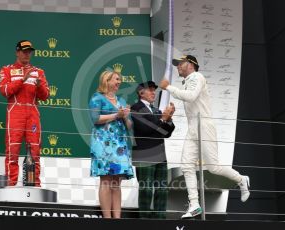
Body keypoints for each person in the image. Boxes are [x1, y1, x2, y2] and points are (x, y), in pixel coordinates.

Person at [159, 55, 250, 219]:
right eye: (177, 64)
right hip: (193, 127)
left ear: (191, 65)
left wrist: (169, 87)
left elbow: (191, 96)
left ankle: (241, 179)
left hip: (204, 125)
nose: (178, 66)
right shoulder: (188, 80)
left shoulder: (197, 77)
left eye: (181, 63)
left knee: (213, 167)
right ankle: (194, 204)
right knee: (186, 166)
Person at [0, 40, 49, 186]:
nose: (27, 54)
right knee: (12, 150)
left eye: (29, 51)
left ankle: (34, 185)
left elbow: (45, 96)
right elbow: (4, 91)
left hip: (32, 113)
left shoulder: (38, 72)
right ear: (17, 52)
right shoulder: (6, 70)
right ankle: (11, 184)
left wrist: (39, 86)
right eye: (24, 51)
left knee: (35, 152)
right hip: (15, 113)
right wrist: (22, 80)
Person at [88, 70, 134, 219]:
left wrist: (126, 116)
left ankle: (117, 219)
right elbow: (95, 118)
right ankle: (107, 219)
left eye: (119, 80)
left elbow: (129, 125)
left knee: (116, 182)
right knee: (106, 180)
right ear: (106, 81)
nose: (119, 82)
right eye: (116, 79)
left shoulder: (121, 100)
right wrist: (116, 115)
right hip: (103, 143)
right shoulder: (97, 98)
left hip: (119, 145)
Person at [131, 81, 175, 219]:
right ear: (141, 93)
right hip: (144, 154)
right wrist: (163, 118)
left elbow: (166, 133)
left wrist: (168, 119)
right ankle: (144, 220)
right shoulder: (135, 108)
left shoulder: (156, 110)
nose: (153, 92)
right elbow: (146, 129)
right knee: (146, 189)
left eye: (154, 90)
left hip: (160, 155)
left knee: (162, 190)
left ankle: (160, 219)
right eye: (150, 90)